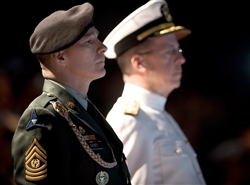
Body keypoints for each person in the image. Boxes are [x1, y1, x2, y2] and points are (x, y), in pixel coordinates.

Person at [11, 2, 131, 185]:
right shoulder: (44, 117)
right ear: (60, 57)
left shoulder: (84, 111)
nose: (103, 47)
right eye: (89, 41)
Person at [103, 0, 206, 184]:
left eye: (178, 49)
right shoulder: (130, 122)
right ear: (139, 63)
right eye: (169, 51)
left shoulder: (155, 113)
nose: (181, 59)